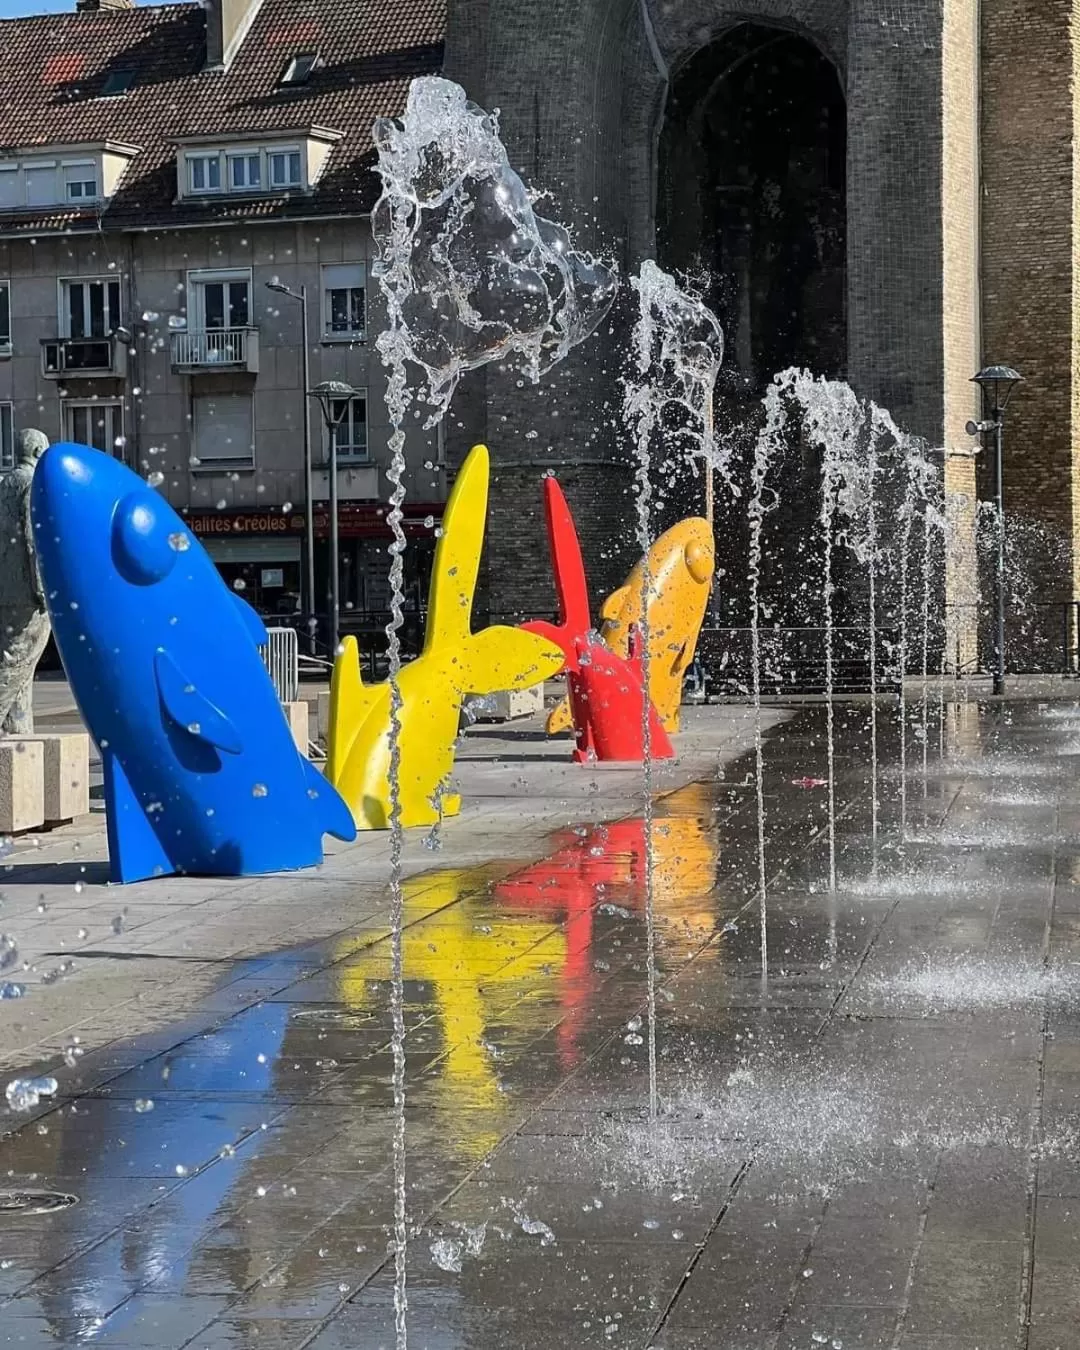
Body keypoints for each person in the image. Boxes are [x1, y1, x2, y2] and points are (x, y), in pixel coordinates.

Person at [0, 429, 51, 734]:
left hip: (6, 589)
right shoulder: (32, 484)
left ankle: (17, 732)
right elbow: (33, 540)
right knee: (16, 662)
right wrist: (43, 588)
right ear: (35, 453)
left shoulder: (4, 483)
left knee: (20, 665)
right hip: (27, 592)